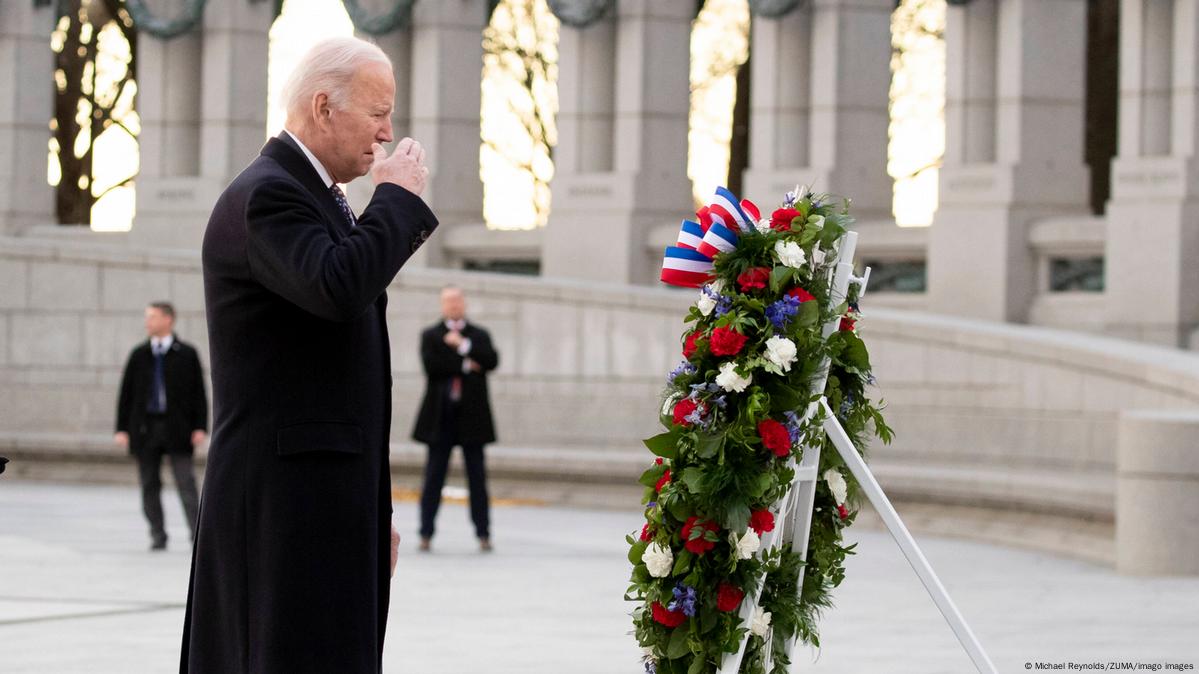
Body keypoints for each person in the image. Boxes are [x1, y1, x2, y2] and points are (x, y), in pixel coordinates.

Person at [180, 37, 437, 674]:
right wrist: (397, 199)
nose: (387, 133)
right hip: (282, 509)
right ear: (323, 107)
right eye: (378, 113)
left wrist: (374, 510)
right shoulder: (271, 194)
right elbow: (337, 287)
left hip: (320, 502)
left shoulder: (315, 195)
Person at [114, 302, 207, 551]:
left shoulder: (187, 353)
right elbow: (126, 394)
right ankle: (158, 533)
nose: (148, 322)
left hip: (178, 428)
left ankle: (196, 535)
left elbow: (199, 392)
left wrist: (200, 426)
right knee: (149, 484)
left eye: (153, 317)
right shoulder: (139, 355)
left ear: (169, 319)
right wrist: (122, 428)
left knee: (186, 483)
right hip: (145, 429)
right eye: (147, 317)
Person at [413, 286, 499, 552]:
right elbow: (432, 366)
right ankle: (426, 532)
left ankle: (483, 533)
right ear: (442, 305)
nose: (453, 305)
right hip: (441, 418)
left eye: (457, 301)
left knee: (477, 478)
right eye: (448, 301)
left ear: (464, 304)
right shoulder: (431, 334)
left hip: (472, 418)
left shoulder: (479, 335)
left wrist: (463, 346)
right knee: (433, 477)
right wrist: (466, 364)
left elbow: (491, 361)